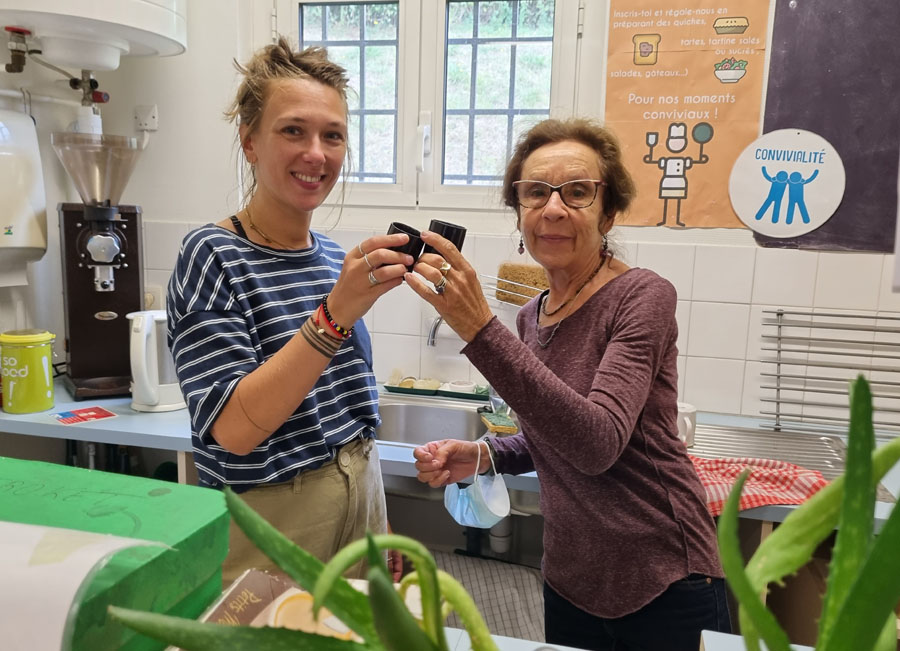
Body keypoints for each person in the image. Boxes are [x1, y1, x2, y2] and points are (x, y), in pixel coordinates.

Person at [407, 118, 730, 650]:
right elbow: (552, 430)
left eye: (577, 192)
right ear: (520, 211)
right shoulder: (533, 316)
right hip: (569, 579)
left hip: (663, 575)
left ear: (610, 211)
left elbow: (596, 442)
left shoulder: (643, 297)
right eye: (535, 192)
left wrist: (479, 328)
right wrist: (487, 455)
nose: (552, 208)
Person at [166, 38, 410, 582]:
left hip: (359, 495)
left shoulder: (329, 257)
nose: (316, 154)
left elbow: (346, 405)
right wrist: (334, 315)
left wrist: (376, 516)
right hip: (273, 516)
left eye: (333, 136)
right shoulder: (212, 255)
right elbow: (233, 431)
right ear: (249, 142)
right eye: (293, 130)